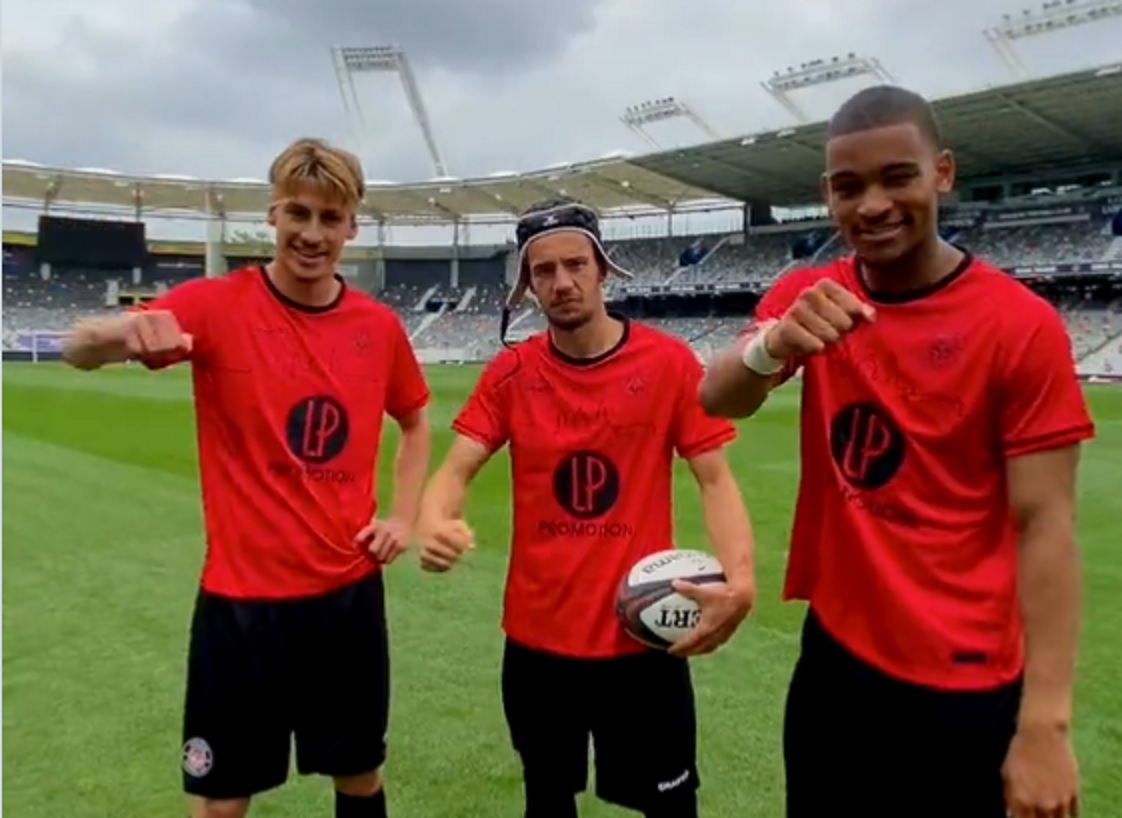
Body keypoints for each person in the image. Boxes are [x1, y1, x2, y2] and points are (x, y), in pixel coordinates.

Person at [699, 85, 1094, 818]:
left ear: (942, 172)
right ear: (827, 194)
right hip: (836, 668)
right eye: (849, 187)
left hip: (966, 683)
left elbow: (1046, 527)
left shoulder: (1020, 326)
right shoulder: (811, 294)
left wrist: (1045, 724)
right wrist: (773, 344)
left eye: (897, 177)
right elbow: (718, 397)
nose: (872, 205)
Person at [61, 138, 432, 818]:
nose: (312, 234)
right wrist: (118, 336)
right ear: (272, 215)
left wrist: (404, 518)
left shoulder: (377, 328)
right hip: (241, 605)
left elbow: (413, 421)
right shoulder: (213, 306)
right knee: (222, 802)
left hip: (346, 599)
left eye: (329, 218)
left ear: (352, 226)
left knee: (359, 776)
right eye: (298, 214)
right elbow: (77, 350)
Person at [416, 197, 757, 818]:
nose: (562, 282)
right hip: (537, 645)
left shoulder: (667, 364)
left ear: (602, 269)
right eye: (543, 271)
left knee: (671, 808)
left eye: (576, 264)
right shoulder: (511, 373)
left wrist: (741, 579)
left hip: (644, 640)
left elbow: (715, 479)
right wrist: (436, 518)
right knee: (547, 802)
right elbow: (456, 467)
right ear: (528, 286)